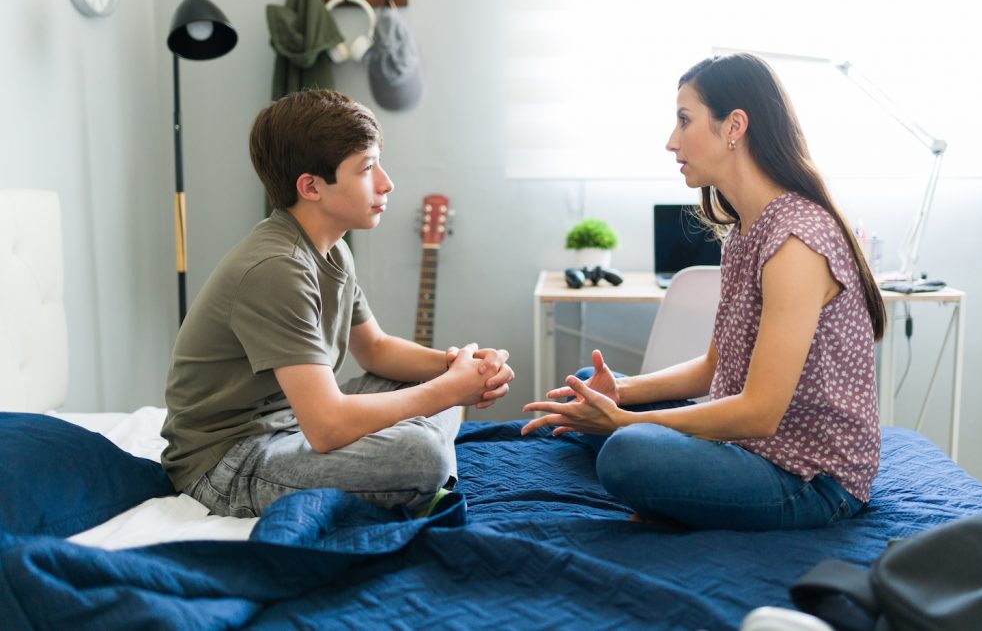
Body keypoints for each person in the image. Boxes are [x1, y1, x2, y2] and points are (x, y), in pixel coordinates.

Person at [522, 53, 886, 531]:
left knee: (627, 452)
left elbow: (759, 412)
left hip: (807, 479)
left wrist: (622, 423)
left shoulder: (796, 242)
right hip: (747, 448)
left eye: (684, 120)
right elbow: (716, 368)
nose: (671, 141)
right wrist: (620, 394)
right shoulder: (743, 230)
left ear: (734, 126)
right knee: (586, 388)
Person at [161, 89, 514, 518]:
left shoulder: (333, 250)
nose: (387, 182)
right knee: (423, 454)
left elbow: (376, 350)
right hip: (229, 462)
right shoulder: (277, 268)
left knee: (421, 393)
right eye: (367, 168)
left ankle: (414, 477)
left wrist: (461, 367)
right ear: (311, 186)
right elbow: (327, 427)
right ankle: (421, 477)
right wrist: (448, 391)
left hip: (293, 425)